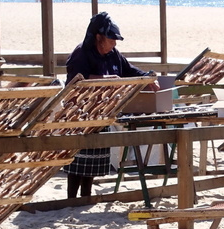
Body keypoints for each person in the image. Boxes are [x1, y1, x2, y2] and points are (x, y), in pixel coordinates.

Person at [63, 11, 160, 199]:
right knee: (78, 159)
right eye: (111, 40)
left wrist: (147, 76)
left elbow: (129, 70)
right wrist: (106, 80)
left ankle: (86, 197)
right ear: (99, 37)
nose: (114, 44)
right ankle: (71, 199)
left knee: (92, 159)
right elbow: (76, 81)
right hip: (80, 113)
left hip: (102, 112)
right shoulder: (81, 53)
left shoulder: (113, 54)